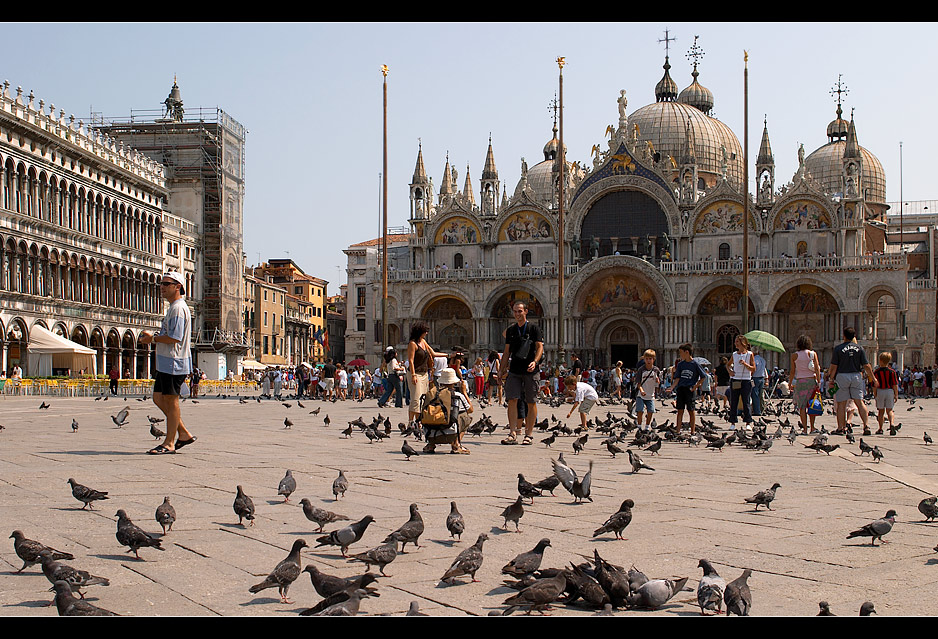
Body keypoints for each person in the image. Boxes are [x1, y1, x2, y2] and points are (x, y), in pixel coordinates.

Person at [139, 271, 195, 455]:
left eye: (166, 283)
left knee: (171, 402)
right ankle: (183, 433)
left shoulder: (178, 308)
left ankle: (169, 442)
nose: (161, 287)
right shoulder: (173, 308)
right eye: (161, 283)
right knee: (158, 398)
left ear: (177, 286)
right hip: (166, 362)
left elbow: (175, 337)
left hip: (174, 362)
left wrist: (152, 339)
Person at [498, 301, 544, 446]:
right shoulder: (511, 330)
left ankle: (528, 434)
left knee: (531, 401)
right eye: (515, 311)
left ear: (526, 311)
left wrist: (535, 362)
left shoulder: (534, 328)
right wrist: (501, 371)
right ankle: (512, 432)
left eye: (520, 311)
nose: (517, 314)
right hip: (515, 370)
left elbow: (540, 347)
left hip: (531, 370)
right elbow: (506, 353)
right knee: (512, 400)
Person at [828, 327, 877, 435]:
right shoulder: (859, 348)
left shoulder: (838, 349)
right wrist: (873, 378)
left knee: (841, 404)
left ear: (843, 336)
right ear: (854, 336)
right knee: (859, 402)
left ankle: (841, 428)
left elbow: (834, 366)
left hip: (842, 376)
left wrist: (831, 379)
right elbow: (867, 365)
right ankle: (866, 426)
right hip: (856, 376)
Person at [421, 367, 472, 454]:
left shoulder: (432, 394)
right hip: (449, 434)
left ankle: (431, 445)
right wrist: (464, 392)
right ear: (454, 382)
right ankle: (456, 444)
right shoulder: (457, 395)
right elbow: (470, 409)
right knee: (466, 416)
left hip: (430, 434)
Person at [406, 322, 446, 426]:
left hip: (424, 374)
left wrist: (449, 355)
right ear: (420, 332)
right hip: (415, 374)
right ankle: (415, 422)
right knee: (416, 399)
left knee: (422, 398)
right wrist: (413, 375)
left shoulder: (423, 342)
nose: (427, 333)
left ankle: (414, 422)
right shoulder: (412, 344)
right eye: (425, 331)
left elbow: (433, 354)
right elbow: (410, 360)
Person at [670, 343, 706, 435]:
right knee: (680, 410)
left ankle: (692, 431)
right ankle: (678, 430)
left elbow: (703, 376)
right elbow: (677, 378)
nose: (680, 355)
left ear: (687, 352)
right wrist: (672, 387)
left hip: (690, 389)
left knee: (691, 410)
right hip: (681, 389)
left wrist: (696, 386)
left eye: (681, 353)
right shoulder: (681, 364)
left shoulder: (695, 364)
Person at [791, 335, 822, 434]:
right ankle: (812, 427)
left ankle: (804, 429)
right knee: (812, 404)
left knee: (802, 406)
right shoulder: (812, 354)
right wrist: (818, 381)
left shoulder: (794, 355)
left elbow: (792, 371)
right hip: (811, 381)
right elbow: (817, 368)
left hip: (800, 382)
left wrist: (789, 382)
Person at [727, 335, 756, 430]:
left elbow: (753, 368)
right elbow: (728, 365)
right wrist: (730, 371)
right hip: (735, 379)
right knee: (734, 401)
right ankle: (733, 422)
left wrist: (745, 364)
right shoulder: (734, 354)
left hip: (746, 380)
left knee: (746, 401)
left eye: (737, 342)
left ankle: (748, 422)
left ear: (743, 343)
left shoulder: (750, 354)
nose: (735, 343)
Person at [873, 352, 899, 435]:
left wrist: (875, 394)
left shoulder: (876, 372)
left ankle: (880, 428)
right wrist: (896, 394)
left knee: (881, 411)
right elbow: (895, 384)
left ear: (880, 360)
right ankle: (892, 424)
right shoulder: (892, 372)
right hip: (890, 391)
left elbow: (874, 385)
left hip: (880, 391)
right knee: (890, 410)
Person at [634, 350, 661, 427]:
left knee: (651, 411)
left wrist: (658, 381)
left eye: (650, 358)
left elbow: (658, 383)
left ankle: (647, 427)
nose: (648, 360)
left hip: (650, 395)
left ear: (654, 359)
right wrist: (642, 391)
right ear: (644, 359)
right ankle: (639, 426)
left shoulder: (656, 370)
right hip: (641, 394)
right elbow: (638, 383)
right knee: (640, 411)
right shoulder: (641, 370)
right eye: (647, 359)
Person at [750, 350, 766, 416]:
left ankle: (757, 411)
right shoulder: (763, 360)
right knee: (760, 395)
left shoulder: (754, 360)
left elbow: (754, 369)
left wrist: (750, 375)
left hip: (755, 379)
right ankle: (761, 409)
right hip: (762, 379)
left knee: (755, 394)